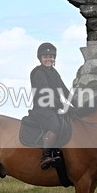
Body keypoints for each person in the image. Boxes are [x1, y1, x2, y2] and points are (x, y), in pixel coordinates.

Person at [29, 42, 71, 170]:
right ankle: (45, 156)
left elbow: (64, 91)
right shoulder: (38, 73)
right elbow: (47, 94)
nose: (49, 59)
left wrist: (77, 104)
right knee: (55, 126)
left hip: (55, 109)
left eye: (51, 57)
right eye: (45, 57)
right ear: (40, 58)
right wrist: (63, 105)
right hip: (42, 110)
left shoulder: (54, 72)